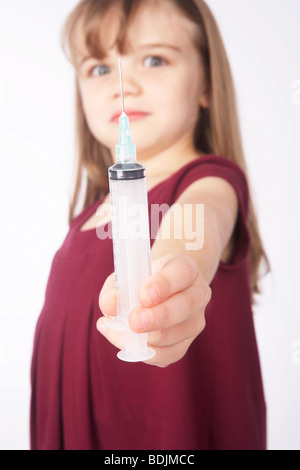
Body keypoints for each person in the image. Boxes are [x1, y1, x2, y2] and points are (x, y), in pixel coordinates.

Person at [30, 0, 270, 450]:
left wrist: (171, 277)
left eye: (155, 59)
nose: (125, 87)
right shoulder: (88, 217)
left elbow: (194, 230)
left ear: (207, 85)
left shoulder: (211, 183)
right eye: (100, 69)